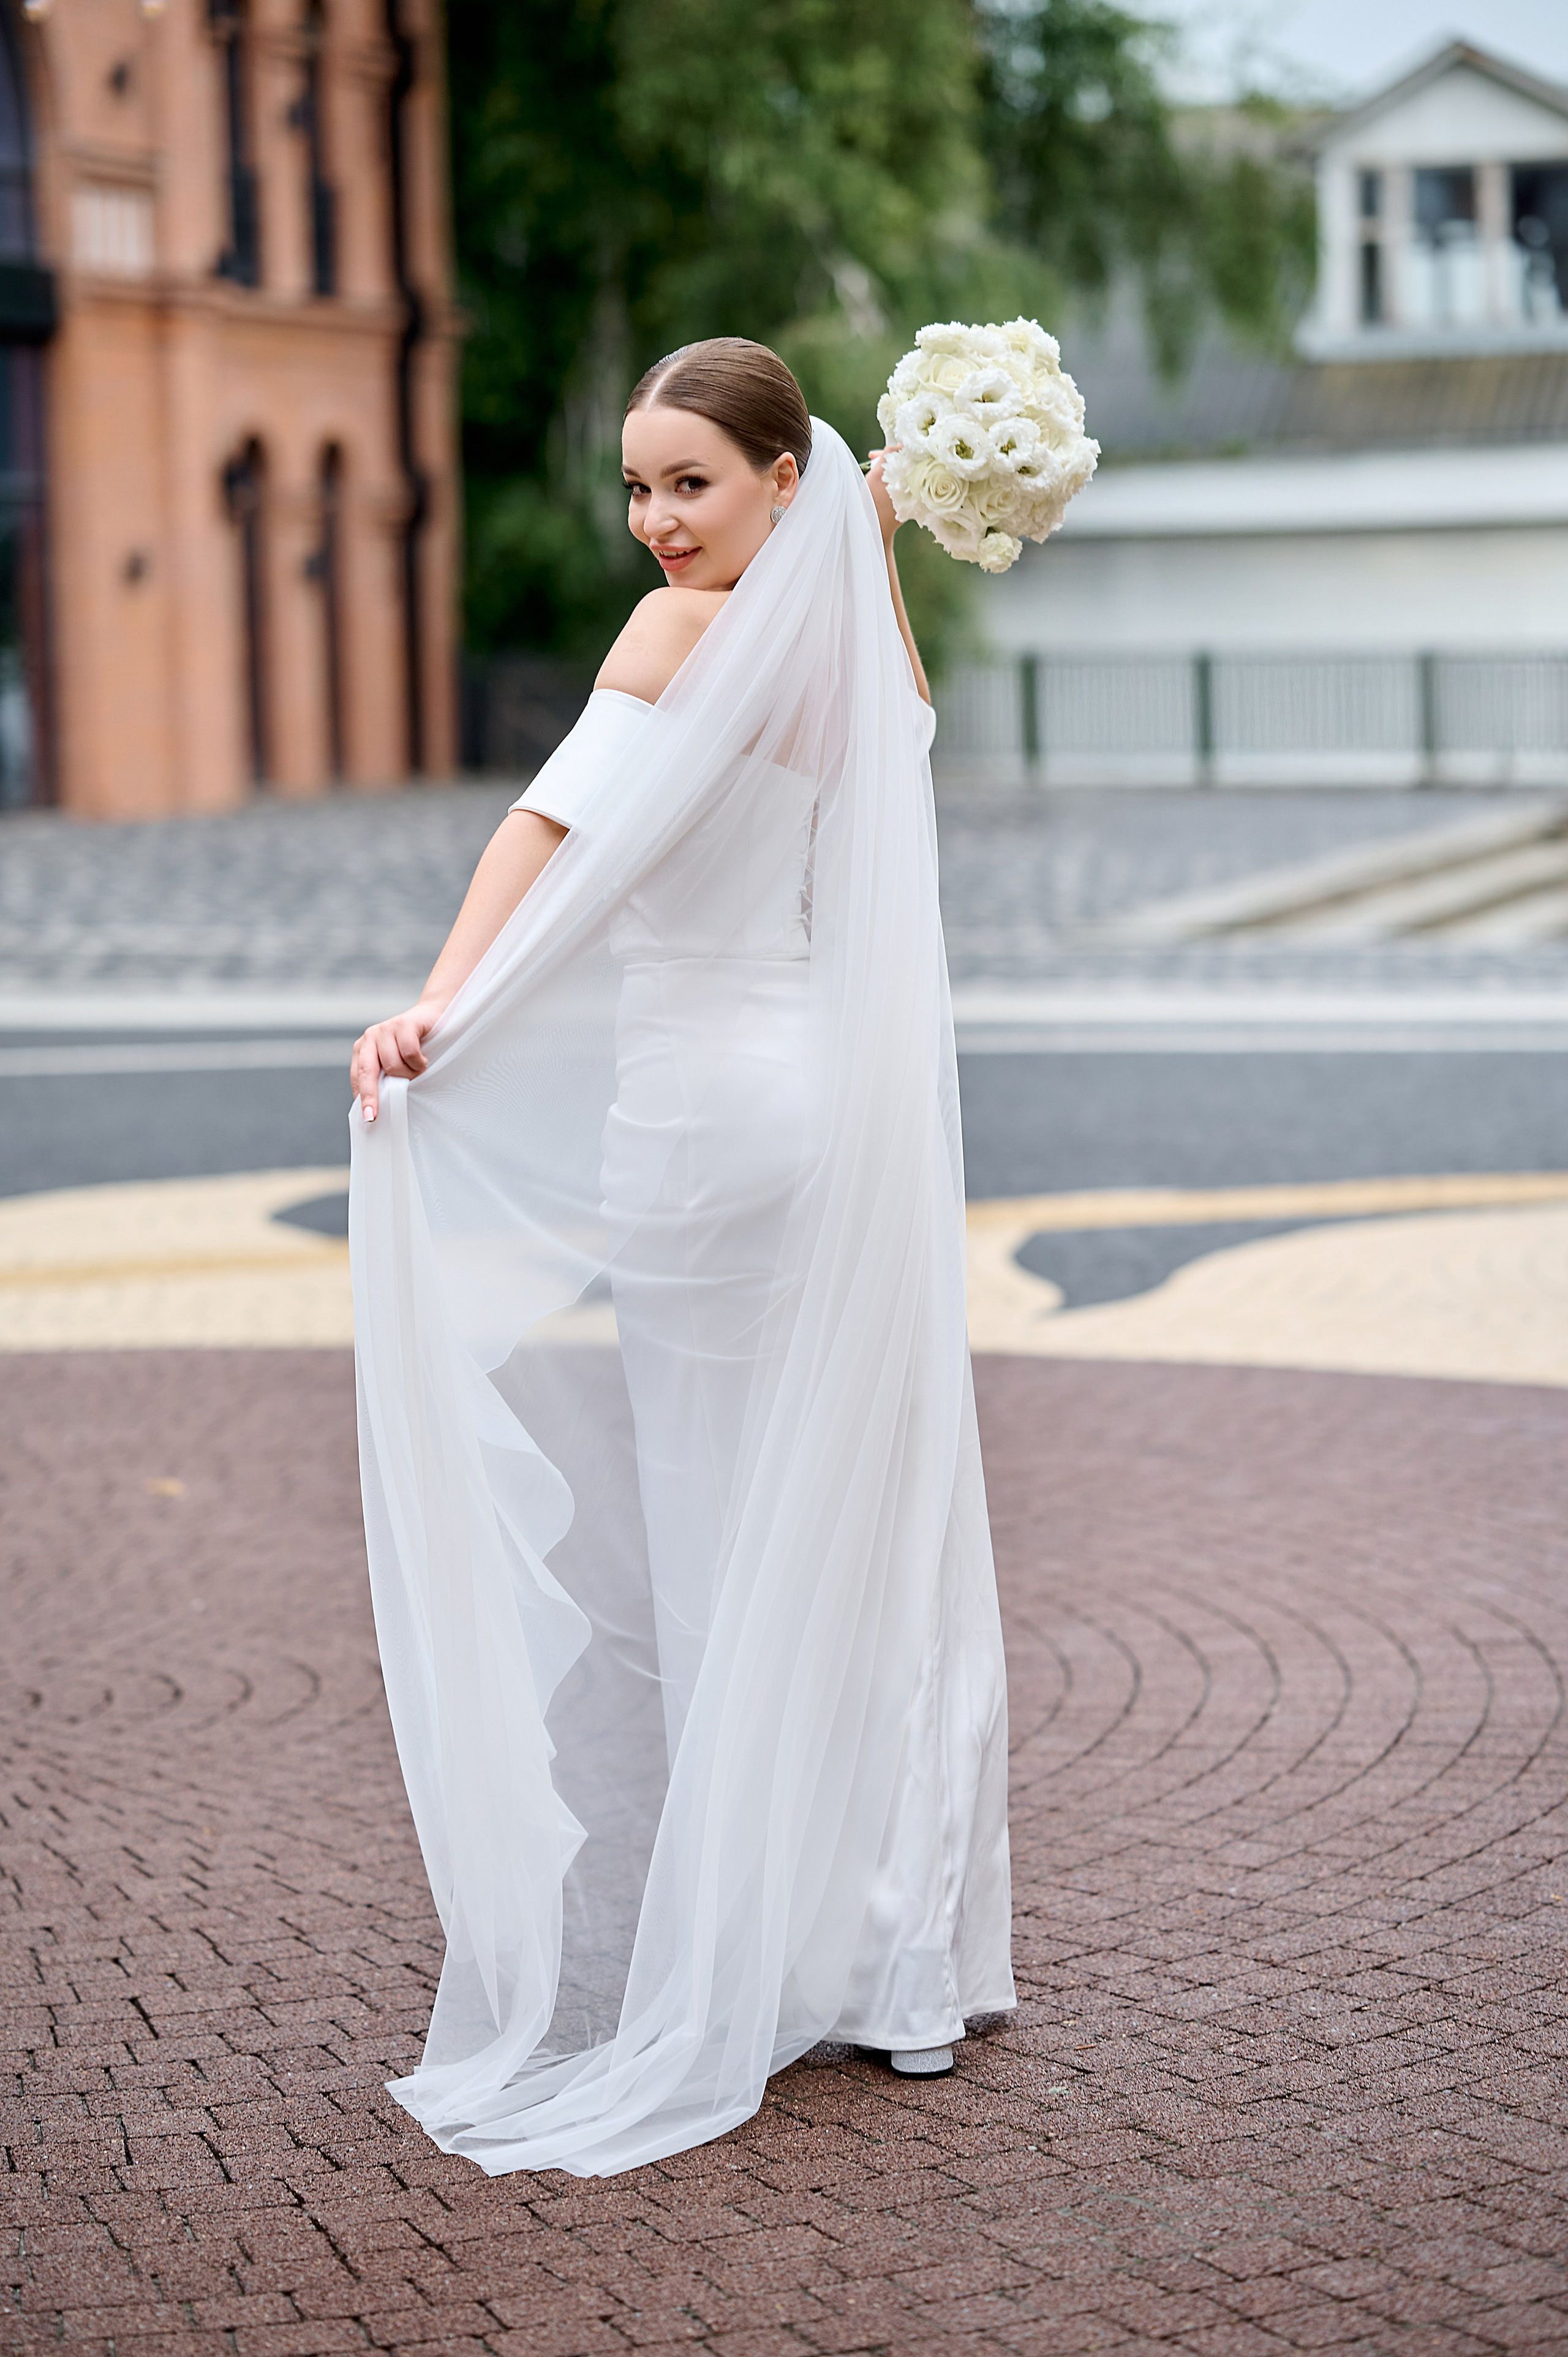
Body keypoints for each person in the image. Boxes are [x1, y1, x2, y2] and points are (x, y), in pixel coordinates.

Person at [349, 338, 1013, 2180]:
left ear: (780, 480)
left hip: (699, 1128)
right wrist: (867, 537)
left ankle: (762, 1947)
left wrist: (439, 1008)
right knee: (864, 1521)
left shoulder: (665, 650)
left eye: (691, 485)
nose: (655, 522)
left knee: (730, 1532)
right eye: (638, 488)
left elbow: (545, 829)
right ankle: (902, 1965)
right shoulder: (867, 652)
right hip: (832, 1120)